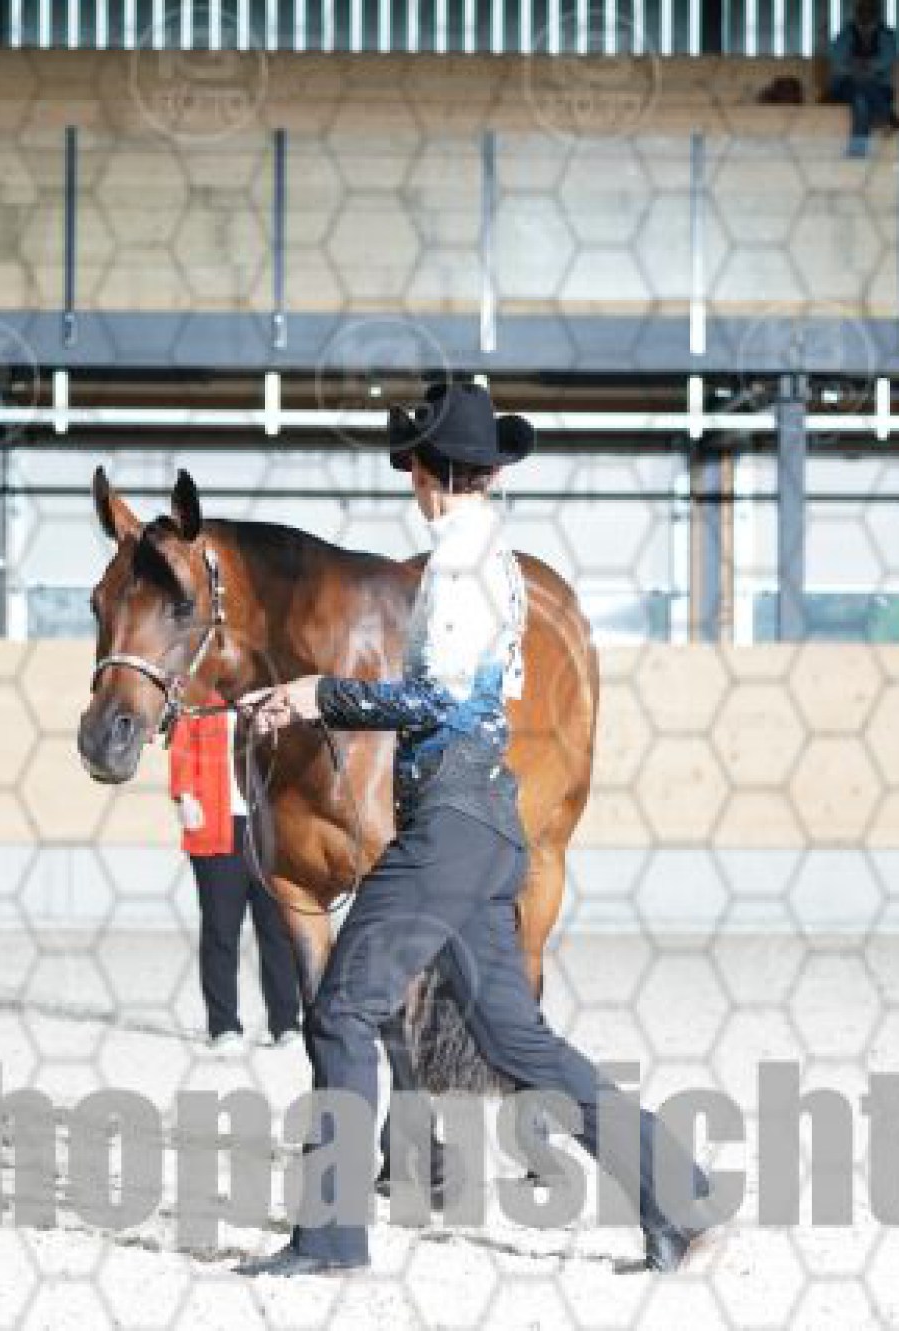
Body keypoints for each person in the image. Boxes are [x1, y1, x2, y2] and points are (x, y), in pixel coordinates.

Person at [233, 382, 724, 1277]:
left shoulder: (457, 569)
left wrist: (318, 694)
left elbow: (436, 700)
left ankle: (331, 1238)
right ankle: (681, 1201)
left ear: (426, 473)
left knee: (341, 1009)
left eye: (413, 467)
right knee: (514, 1039)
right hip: (488, 825)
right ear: (488, 472)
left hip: (450, 824)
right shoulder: (493, 559)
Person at [171, 688, 302, 1053]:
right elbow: (182, 741)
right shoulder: (200, 698)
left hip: (269, 829)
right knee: (221, 930)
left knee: (277, 931)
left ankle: (286, 1023)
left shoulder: (270, 696)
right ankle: (224, 1026)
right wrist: (184, 793)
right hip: (218, 825)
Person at [829, 0, 899, 159]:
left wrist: (860, 66)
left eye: (870, 10)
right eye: (862, 10)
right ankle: (888, 115)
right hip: (846, 86)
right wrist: (865, 69)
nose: (865, 14)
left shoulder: (887, 35)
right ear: (857, 12)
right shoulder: (845, 34)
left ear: (876, 13)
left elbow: (887, 60)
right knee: (860, 86)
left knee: (861, 101)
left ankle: (857, 152)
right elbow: (837, 62)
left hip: (879, 87)